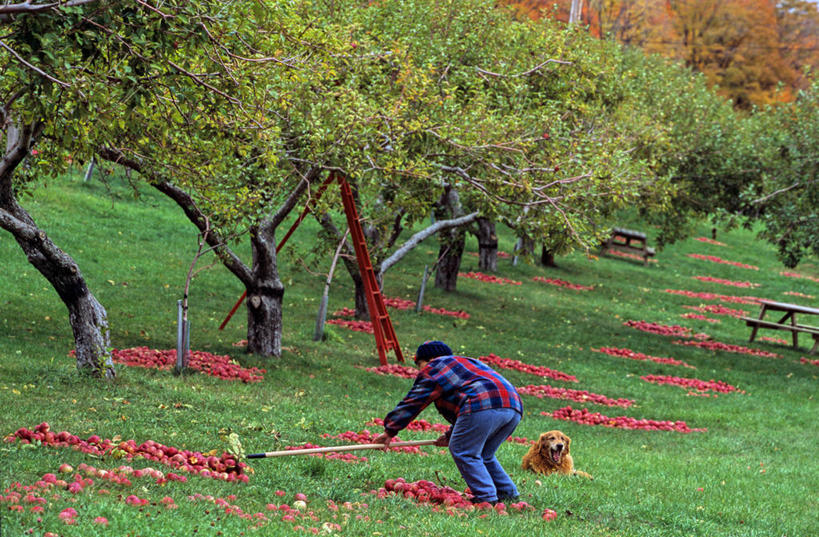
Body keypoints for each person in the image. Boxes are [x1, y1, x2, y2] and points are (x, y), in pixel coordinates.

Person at [373, 340, 523, 505]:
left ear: (428, 359)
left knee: (464, 451)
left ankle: (486, 498)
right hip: (513, 406)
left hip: (483, 404)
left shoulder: (434, 367)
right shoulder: (465, 364)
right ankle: (508, 494)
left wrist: (390, 431)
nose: (419, 371)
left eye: (419, 365)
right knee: (485, 454)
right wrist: (451, 434)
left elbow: (414, 401)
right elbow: (466, 402)